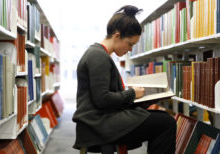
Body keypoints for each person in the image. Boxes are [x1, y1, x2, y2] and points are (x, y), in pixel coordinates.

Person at [72, 5, 176, 154]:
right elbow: (102, 99)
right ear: (117, 35)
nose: (130, 49)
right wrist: (132, 94)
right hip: (97, 123)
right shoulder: (98, 56)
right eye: (130, 44)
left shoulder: (99, 54)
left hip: (101, 119)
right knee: (166, 123)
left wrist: (141, 99)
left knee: (162, 119)